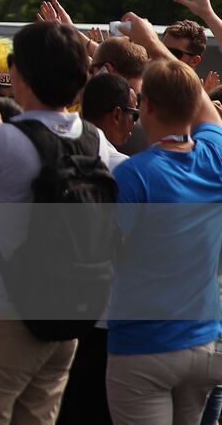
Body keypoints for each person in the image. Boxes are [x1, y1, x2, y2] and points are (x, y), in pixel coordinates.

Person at [0, 20, 127, 425]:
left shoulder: (7, 140)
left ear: (22, 75)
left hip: (1, 320)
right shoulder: (92, 138)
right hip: (64, 318)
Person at [105, 23, 222, 424]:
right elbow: (203, 107)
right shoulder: (215, 156)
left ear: (146, 107)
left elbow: (102, 254)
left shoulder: (133, 174)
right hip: (205, 344)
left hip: (145, 345)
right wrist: (154, 45)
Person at [81, 71, 138, 150]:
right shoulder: (116, 159)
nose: (135, 123)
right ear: (117, 115)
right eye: (135, 115)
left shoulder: (65, 146)